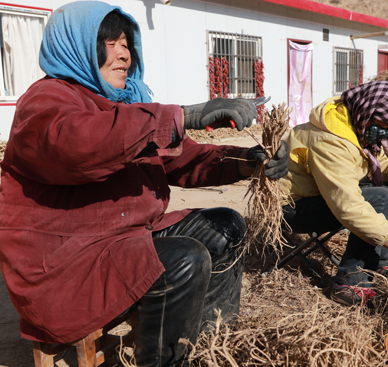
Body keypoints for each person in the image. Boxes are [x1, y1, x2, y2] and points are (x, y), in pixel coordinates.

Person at [0, 2, 288, 366]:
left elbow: (181, 159)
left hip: (123, 239)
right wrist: (185, 114)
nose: (124, 54)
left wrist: (248, 161)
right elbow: (81, 145)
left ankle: (208, 346)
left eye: (127, 43)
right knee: (185, 259)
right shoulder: (45, 102)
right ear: (75, 46)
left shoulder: (122, 102)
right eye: (110, 42)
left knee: (224, 227)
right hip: (68, 263)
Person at [279, 81, 388, 307]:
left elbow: (382, 163)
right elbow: (348, 207)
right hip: (292, 208)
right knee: (381, 199)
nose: (386, 132)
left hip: (323, 194)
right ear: (368, 112)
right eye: (383, 125)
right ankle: (350, 282)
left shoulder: (357, 125)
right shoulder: (331, 140)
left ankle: (378, 262)